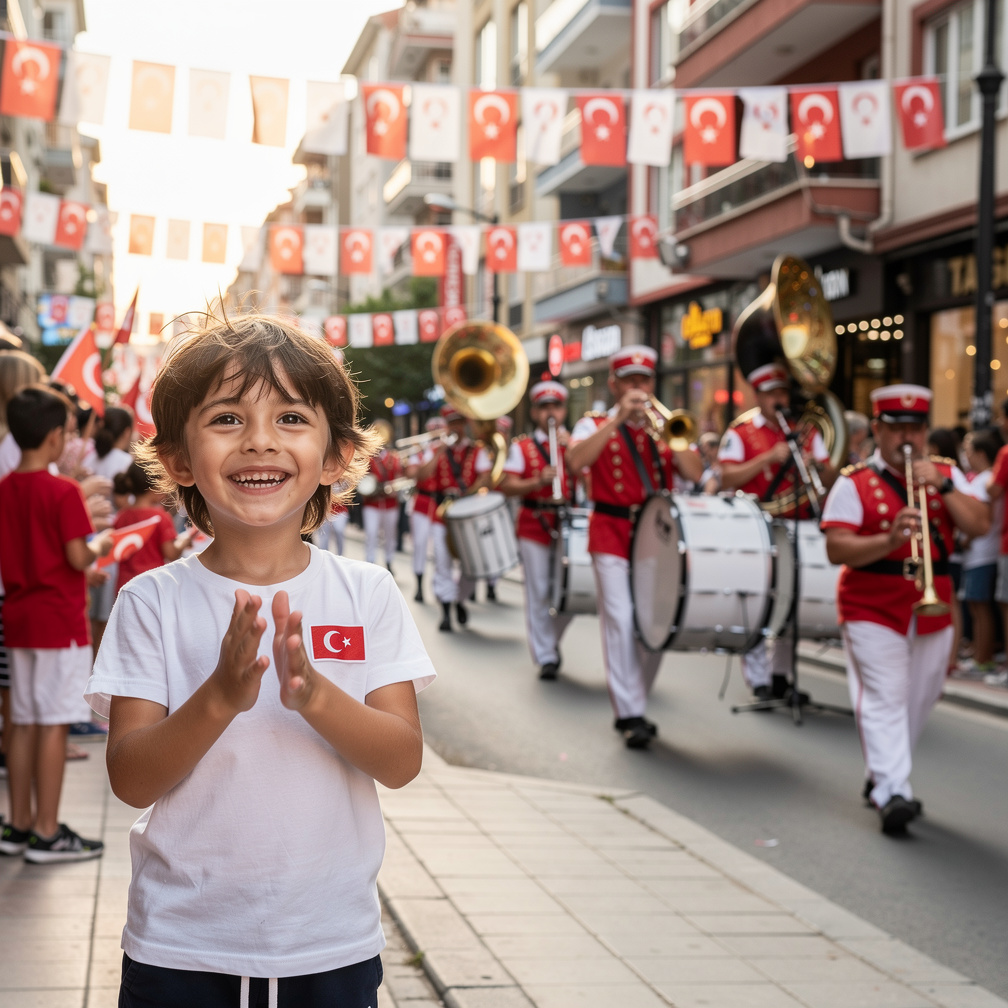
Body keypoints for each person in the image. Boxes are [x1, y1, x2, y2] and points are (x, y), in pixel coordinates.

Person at [85, 312, 435, 1006]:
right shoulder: (151, 600)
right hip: (180, 948)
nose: (259, 440)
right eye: (226, 419)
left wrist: (316, 698)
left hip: (330, 944)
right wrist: (219, 697)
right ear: (178, 459)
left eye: (291, 418)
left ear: (335, 457)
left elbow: (401, 762)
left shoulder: (367, 592)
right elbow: (130, 777)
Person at [820, 384, 989, 835]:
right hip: (871, 602)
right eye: (898, 429)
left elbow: (980, 524)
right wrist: (888, 540)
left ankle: (882, 773)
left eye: (916, 428)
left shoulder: (947, 474)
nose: (908, 438)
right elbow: (836, 548)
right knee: (886, 693)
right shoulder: (854, 481)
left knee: (922, 695)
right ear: (878, 430)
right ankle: (894, 791)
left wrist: (945, 486)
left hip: (934, 603)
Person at [566, 345, 703, 749]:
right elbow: (575, 462)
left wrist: (673, 439)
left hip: (656, 536)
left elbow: (695, 473)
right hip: (609, 530)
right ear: (614, 384)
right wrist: (618, 420)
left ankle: (635, 699)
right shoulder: (593, 423)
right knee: (621, 619)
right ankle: (629, 712)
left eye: (644, 380)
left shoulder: (665, 426)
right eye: (630, 381)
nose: (639, 388)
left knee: (655, 620)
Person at [0, 384, 114, 861]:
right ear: (52, 436)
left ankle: (19, 824)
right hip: (58, 621)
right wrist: (101, 544)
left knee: (22, 723)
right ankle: (47, 832)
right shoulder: (63, 491)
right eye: (67, 433)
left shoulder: (5, 488)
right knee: (52, 726)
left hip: (18, 618)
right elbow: (76, 555)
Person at [717, 362, 837, 702]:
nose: (778, 399)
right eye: (771, 394)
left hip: (798, 522)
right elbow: (726, 477)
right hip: (757, 525)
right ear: (758, 396)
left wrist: (817, 466)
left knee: (791, 600)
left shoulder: (805, 433)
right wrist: (767, 459)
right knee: (758, 601)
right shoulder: (740, 432)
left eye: (782, 392)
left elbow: (829, 478)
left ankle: (781, 675)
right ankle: (758, 679)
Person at [499, 381, 573, 680]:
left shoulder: (575, 444)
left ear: (564, 410)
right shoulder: (522, 447)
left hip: (569, 525)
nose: (550, 413)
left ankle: (550, 642)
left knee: (571, 592)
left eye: (556, 406)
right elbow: (506, 486)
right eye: (544, 407)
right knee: (539, 591)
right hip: (534, 522)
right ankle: (546, 655)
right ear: (534, 412)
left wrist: (573, 451)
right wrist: (537, 481)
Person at [0, 350, 47, 778]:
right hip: (29, 595)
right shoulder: (14, 453)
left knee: (16, 704)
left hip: (13, 593)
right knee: (30, 711)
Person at [415, 405, 491, 632]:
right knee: (443, 563)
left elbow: (486, 478)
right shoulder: (437, 449)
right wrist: (439, 453)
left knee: (472, 565)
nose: (456, 427)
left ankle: (459, 598)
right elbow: (421, 475)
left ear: (465, 424)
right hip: (442, 516)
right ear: (447, 426)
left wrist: (470, 491)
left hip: (468, 515)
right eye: (452, 423)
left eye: (459, 422)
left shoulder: (477, 451)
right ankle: (446, 611)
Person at [953, 430, 1000, 679]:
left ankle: (983, 658)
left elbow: (982, 518)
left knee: (980, 608)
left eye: (968, 451)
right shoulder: (982, 479)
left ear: (981, 454)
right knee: (974, 606)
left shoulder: (986, 480)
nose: (965, 456)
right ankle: (978, 653)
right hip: (977, 554)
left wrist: (968, 538)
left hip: (982, 552)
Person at [110, 461, 192, 593]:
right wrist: (184, 541)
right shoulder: (160, 517)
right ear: (155, 484)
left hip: (125, 585)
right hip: (152, 585)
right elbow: (171, 554)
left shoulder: (121, 516)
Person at [404, 417, 447, 603]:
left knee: (441, 549)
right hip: (422, 502)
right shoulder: (420, 452)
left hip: (441, 504)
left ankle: (442, 590)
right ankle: (419, 585)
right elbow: (413, 474)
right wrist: (434, 454)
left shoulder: (448, 451)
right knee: (420, 544)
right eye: (433, 431)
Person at [359, 421, 403, 571]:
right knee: (371, 533)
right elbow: (362, 481)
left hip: (390, 503)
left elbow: (399, 476)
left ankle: (389, 560)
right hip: (372, 503)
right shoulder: (368, 458)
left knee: (390, 535)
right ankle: (370, 561)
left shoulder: (395, 457)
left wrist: (396, 488)